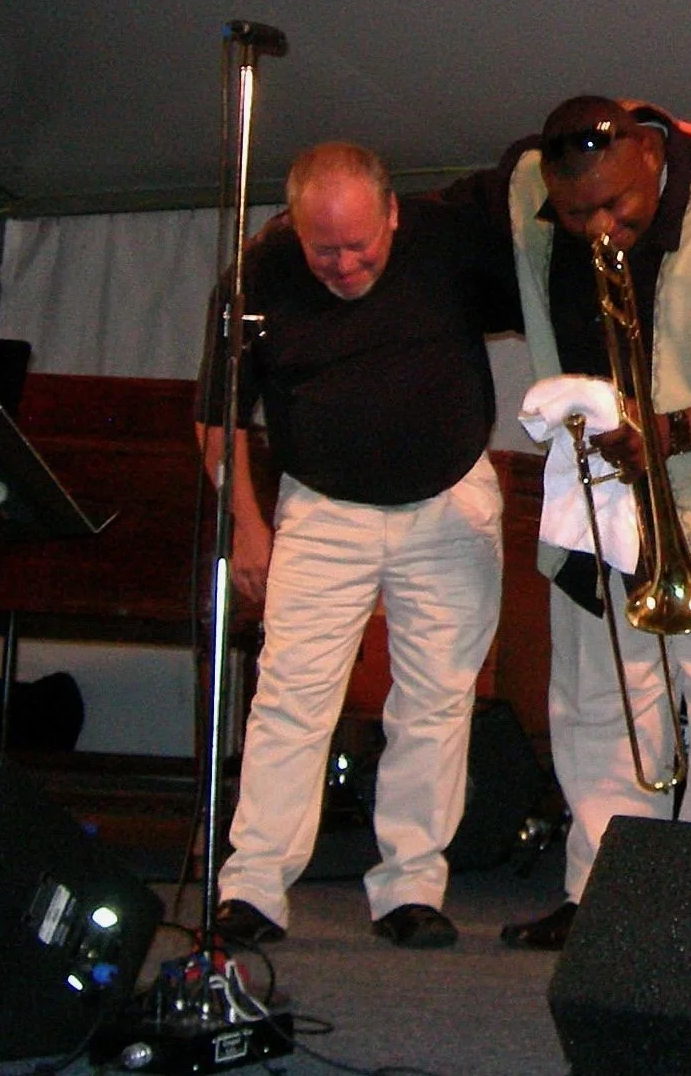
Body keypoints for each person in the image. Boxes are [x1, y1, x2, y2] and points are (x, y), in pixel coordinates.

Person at [439, 96, 691, 950]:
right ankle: (604, 899)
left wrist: (672, 431)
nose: (598, 229)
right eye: (575, 211)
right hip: (600, 512)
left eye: (616, 205)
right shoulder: (522, 186)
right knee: (598, 708)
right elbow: (426, 232)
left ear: (652, 156)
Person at [198, 141, 522, 949]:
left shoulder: (450, 239)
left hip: (448, 499)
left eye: (358, 245)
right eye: (323, 249)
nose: (342, 264)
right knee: (291, 697)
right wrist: (247, 524)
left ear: (392, 212)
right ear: (294, 228)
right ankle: (253, 887)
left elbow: (544, 284)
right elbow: (218, 418)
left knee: (437, 702)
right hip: (323, 507)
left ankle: (411, 884)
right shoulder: (257, 273)